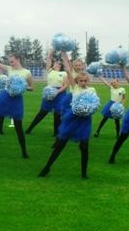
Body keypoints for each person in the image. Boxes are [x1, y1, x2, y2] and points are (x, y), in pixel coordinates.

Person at [39, 51, 98, 179]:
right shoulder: (75, 87)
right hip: (72, 118)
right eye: (81, 80)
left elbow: (95, 104)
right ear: (77, 81)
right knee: (61, 144)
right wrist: (63, 52)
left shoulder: (92, 90)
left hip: (85, 121)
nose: (83, 82)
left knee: (84, 147)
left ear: (88, 80)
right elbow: (68, 69)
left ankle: (84, 173)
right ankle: (46, 167)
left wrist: (89, 110)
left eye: (85, 80)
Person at [0, 51, 33, 158]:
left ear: (18, 60)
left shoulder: (27, 72)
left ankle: (24, 152)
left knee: (18, 128)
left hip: (16, 101)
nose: (11, 64)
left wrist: (21, 87)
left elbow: (31, 87)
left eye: (12, 61)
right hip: (5, 99)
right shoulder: (9, 69)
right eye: (10, 62)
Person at [25, 48, 68, 136]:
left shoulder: (64, 73)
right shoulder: (50, 70)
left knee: (57, 114)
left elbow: (65, 85)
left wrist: (56, 92)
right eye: (55, 62)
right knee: (42, 112)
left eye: (57, 63)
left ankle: (56, 133)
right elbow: (48, 57)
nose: (55, 63)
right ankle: (29, 129)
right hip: (49, 93)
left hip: (59, 94)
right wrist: (54, 48)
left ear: (60, 66)